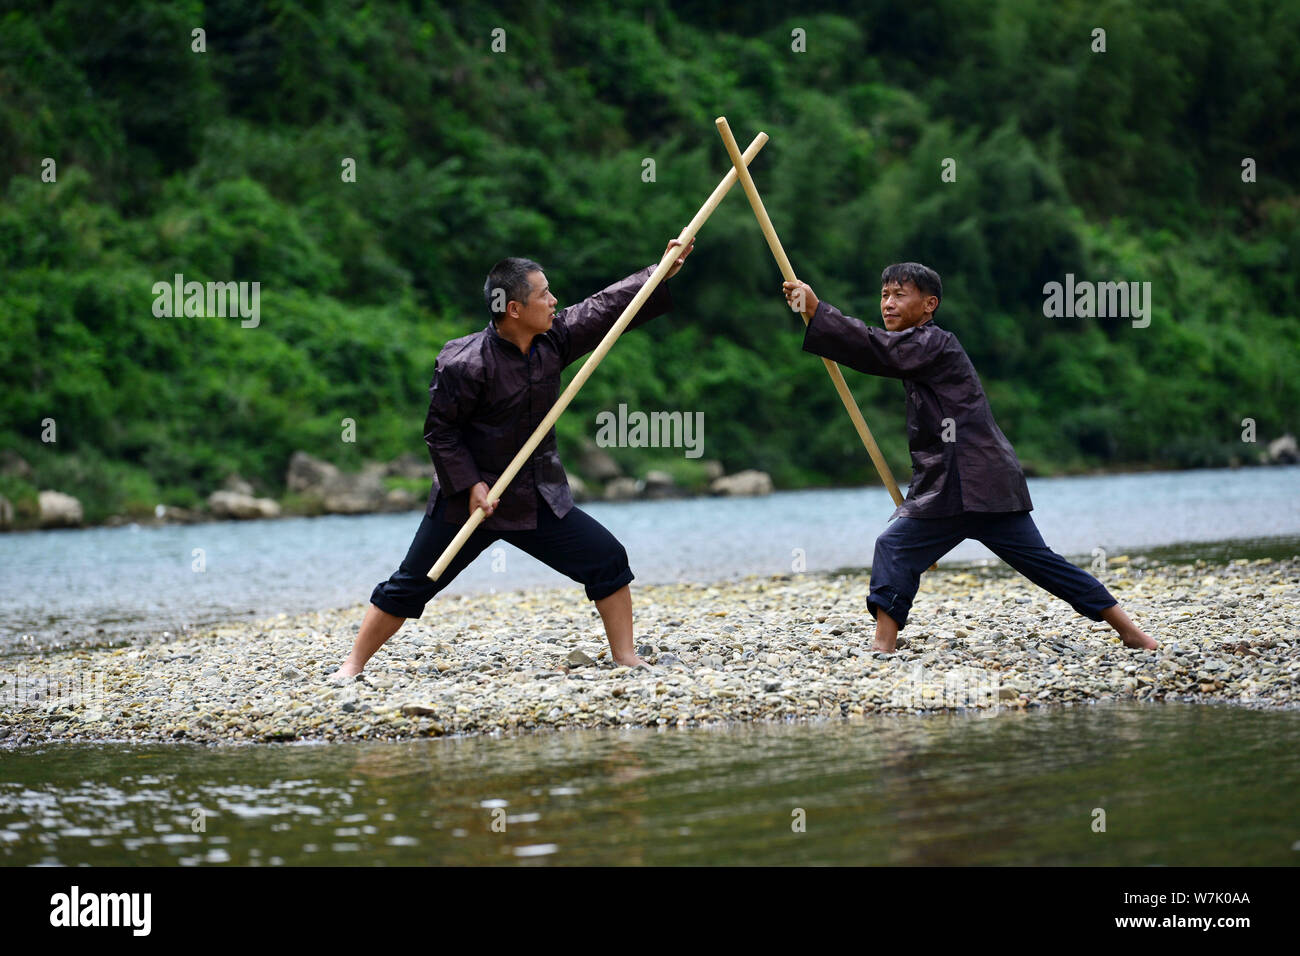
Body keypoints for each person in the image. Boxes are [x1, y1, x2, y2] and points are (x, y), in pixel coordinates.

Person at [333, 238, 694, 679]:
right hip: (469, 501)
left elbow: (604, 308)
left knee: (607, 559)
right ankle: (351, 667)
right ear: (515, 309)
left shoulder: (553, 340)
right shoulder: (463, 362)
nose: (554, 301)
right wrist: (470, 485)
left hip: (534, 494)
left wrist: (658, 272)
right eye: (544, 294)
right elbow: (440, 432)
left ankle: (625, 657)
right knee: (414, 582)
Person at [782, 262, 1156, 653]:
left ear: (929, 305)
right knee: (904, 549)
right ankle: (1132, 633)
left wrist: (818, 309)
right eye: (884, 295)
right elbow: (882, 351)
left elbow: (878, 351)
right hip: (956, 487)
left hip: (975, 482)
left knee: (1032, 563)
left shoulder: (935, 343)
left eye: (899, 295)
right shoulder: (916, 347)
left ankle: (1132, 632)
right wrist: (816, 313)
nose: (888, 304)